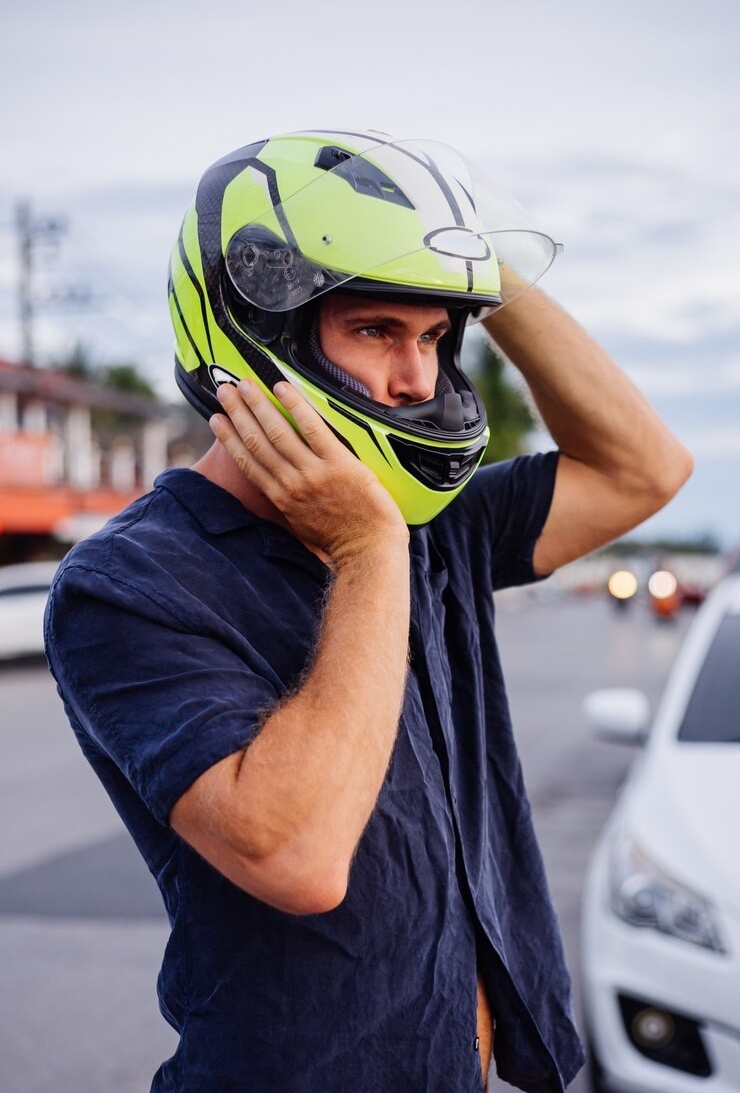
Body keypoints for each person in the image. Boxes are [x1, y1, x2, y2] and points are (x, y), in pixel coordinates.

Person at [44, 129, 692, 1093]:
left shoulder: (433, 526)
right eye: (377, 331)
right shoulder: (131, 585)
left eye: (433, 337)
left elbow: (646, 469)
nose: (420, 382)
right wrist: (366, 551)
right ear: (259, 339)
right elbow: (298, 855)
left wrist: (484, 263)